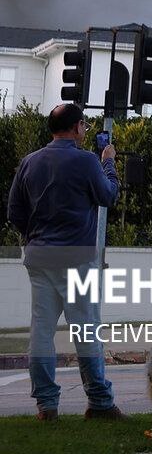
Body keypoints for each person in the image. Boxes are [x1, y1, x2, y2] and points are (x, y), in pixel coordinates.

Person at [6, 103, 125, 421]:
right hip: (77, 258)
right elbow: (108, 196)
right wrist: (109, 163)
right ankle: (99, 402)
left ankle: (46, 405)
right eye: (84, 126)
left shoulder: (30, 162)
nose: (86, 131)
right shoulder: (87, 161)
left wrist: (32, 237)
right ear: (76, 127)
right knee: (85, 329)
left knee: (41, 332)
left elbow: (14, 212)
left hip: (40, 256)